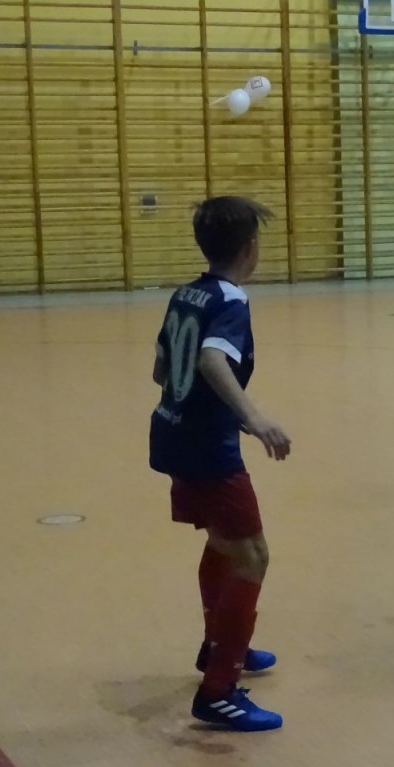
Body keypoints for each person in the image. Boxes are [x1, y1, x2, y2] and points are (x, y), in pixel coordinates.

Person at [149, 196, 292, 732]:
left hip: (173, 430)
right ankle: (218, 691)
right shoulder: (231, 299)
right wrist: (254, 418)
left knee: (222, 543)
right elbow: (210, 358)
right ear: (250, 249)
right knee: (253, 556)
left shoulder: (186, 292)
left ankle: (220, 644)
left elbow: (162, 368)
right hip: (208, 447)